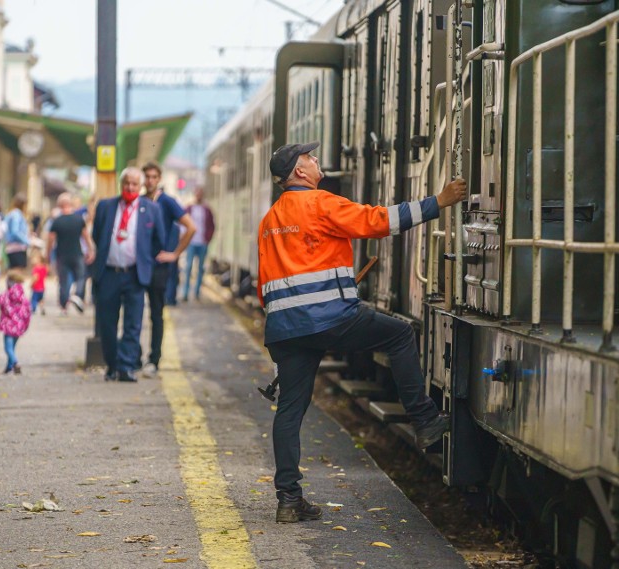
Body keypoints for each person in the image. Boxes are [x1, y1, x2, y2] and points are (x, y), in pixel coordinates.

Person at [257, 142, 467, 522]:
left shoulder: (270, 220)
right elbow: (379, 221)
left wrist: (281, 348)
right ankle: (424, 422)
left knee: (289, 411)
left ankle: (288, 500)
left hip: (286, 330)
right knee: (399, 335)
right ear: (300, 172)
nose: (317, 160)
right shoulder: (321, 202)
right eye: (311, 158)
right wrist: (440, 201)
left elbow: (266, 287)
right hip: (331, 319)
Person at [91, 167, 171, 382]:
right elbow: (97, 235)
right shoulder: (106, 207)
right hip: (109, 274)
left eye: (135, 184)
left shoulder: (151, 209)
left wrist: (145, 261)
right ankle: (112, 365)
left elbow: (159, 240)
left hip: (135, 274)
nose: (130, 187)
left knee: (133, 324)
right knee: (107, 323)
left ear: (141, 186)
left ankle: (126, 367)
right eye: (127, 183)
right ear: (121, 184)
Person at [141, 162, 196, 377]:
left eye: (154, 177)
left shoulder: (167, 202)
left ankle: (154, 359)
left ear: (159, 178)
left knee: (156, 314)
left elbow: (191, 227)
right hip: (139, 266)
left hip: (159, 267)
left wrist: (175, 254)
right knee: (135, 314)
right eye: (147, 176)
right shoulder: (140, 200)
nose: (150, 180)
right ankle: (134, 357)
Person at [45, 193, 94, 314]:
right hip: (77, 253)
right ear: (70, 204)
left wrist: (48, 254)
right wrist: (91, 250)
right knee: (81, 277)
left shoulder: (56, 221)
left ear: (60, 205)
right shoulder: (79, 219)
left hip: (62, 255)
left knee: (63, 281)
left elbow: (51, 240)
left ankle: (63, 306)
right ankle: (77, 296)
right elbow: (86, 236)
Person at [181, 187, 215, 302]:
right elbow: (183, 223)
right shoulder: (189, 208)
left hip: (202, 242)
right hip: (191, 242)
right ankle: (185, 292)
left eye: (201, 194)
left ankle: (196, 292)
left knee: (200, 268)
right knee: (188, 267)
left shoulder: (207, 210)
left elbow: (211, 225)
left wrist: (208, 239)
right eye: (197, 194)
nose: (199, 196)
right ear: (194, 195)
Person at [4, 193, 30, 269]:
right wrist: (27, 241)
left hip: (11, 248)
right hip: (17, 248)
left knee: (13, 274)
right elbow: (15, 232)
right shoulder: (17, 214)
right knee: (17, 274)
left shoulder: (11, 213)